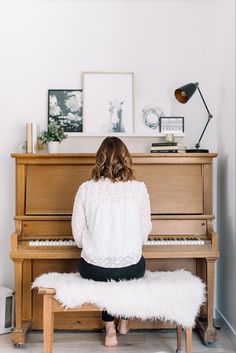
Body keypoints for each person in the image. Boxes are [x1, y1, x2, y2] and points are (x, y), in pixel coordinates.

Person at [71, 136, 152, 347]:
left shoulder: (85, 189)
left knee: (103, 272)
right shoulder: (139, 188)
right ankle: (123, 321)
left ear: (100, 159)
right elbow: (145, 232)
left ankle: (109, 330)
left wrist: (95, 244)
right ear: (126, 159)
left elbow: (78, 235)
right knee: (126, 269)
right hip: (131, 267)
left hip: (94, 268)